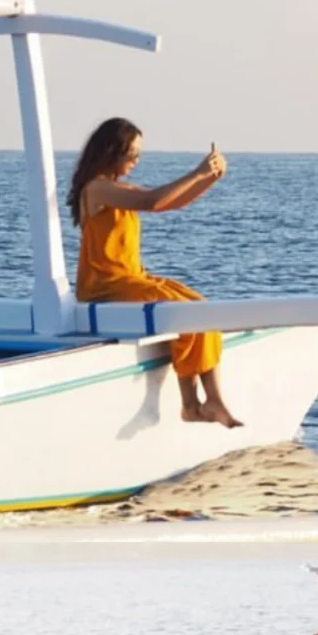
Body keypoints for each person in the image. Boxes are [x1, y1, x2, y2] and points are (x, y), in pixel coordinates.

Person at [68, 117, 241, 427]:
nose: (136, 161)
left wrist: (210, 178)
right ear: (112, 152)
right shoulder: (96, 189)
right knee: (191, 312)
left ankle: (206, 401)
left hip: (132, 280)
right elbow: (150, 200)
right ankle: (192, 404)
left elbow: (167, 204)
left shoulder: (116, 188)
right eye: (132, 154)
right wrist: (196, 172)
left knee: (201, 309)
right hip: (105, 286)